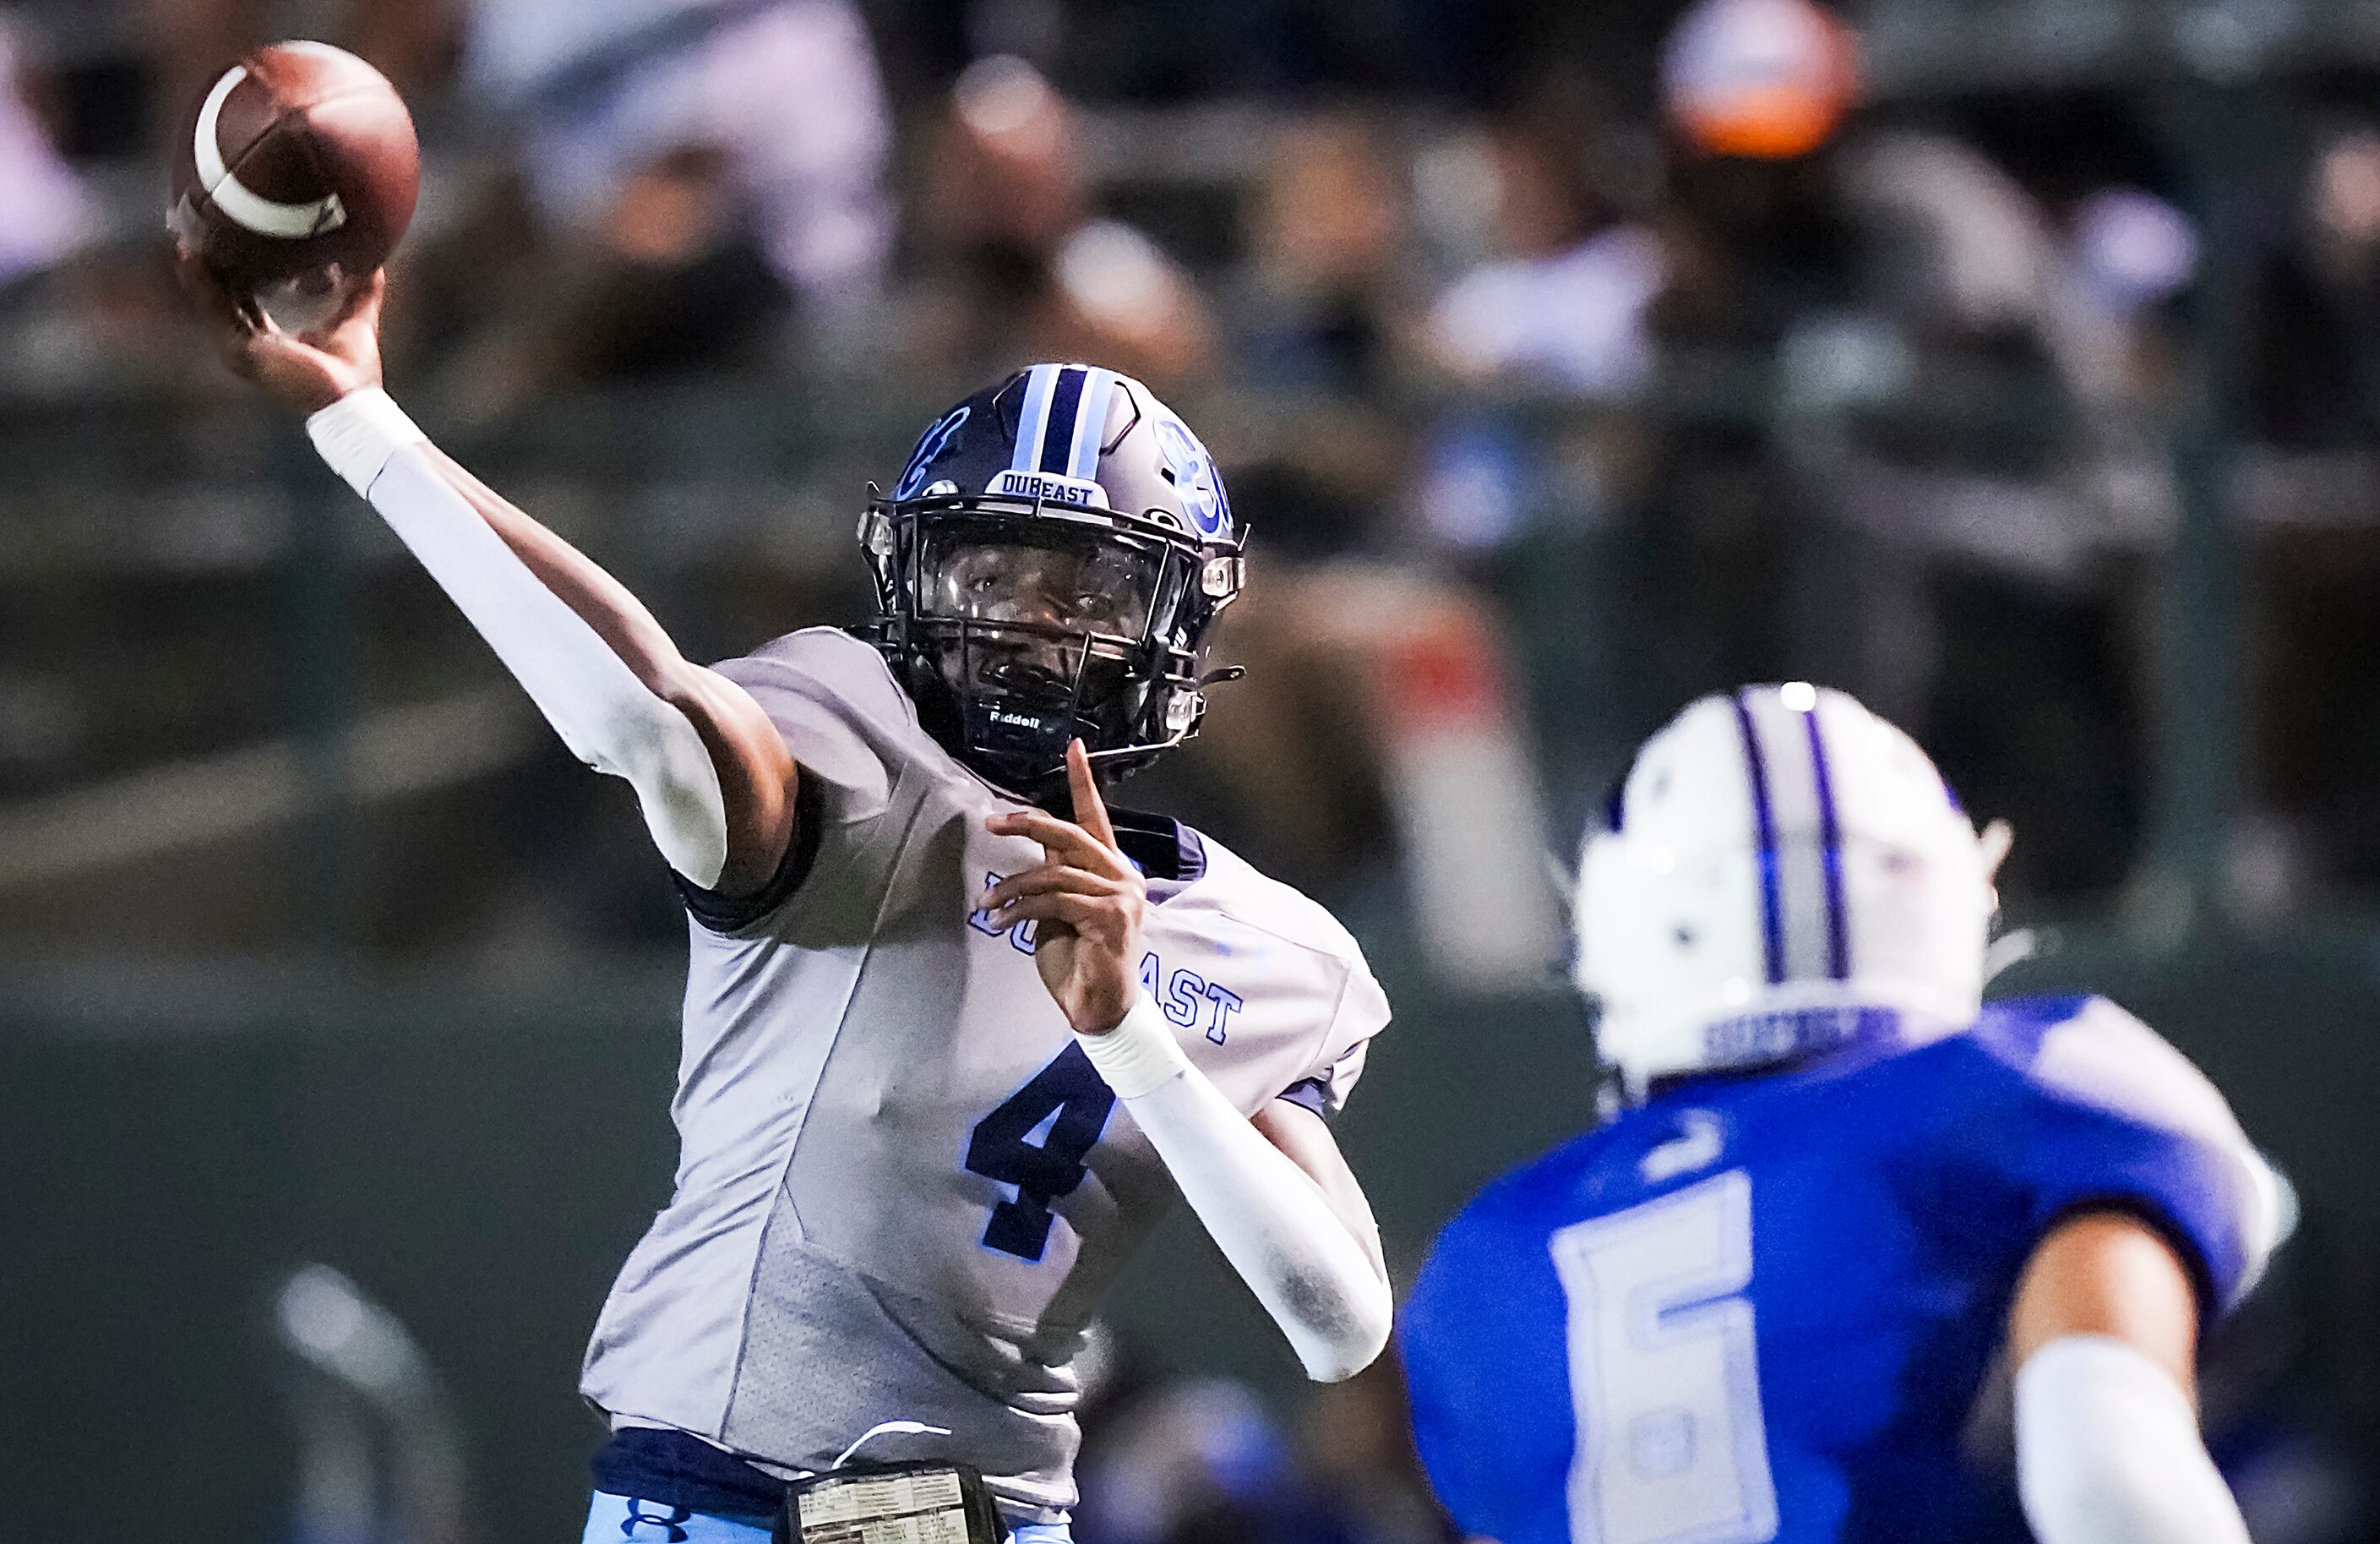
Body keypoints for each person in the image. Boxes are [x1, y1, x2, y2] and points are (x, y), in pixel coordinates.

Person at [181, 260, 1395, 1542]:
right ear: (918, 575)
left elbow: (1339, 1322)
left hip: (972, 1515)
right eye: (991, 573)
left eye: (1082, 591)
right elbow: (646, 715)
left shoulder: (1271, 947)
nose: (1027, 625)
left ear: (1176, 624)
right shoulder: (850, 753)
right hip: (729, 1491)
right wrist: (366, 423)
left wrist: (1127, 1032)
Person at [1401, 684, 2284, 1544]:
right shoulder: (2041, 1081)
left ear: (1617, 935)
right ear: (1945, 895)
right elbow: (2109, 1481)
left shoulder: (1486, 1255)